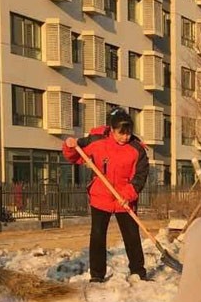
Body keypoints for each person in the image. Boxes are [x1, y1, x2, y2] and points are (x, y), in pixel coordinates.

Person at [63, 108, 151, 282]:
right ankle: (97, 275)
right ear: (112, 129)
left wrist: (128, 194)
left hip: (125, 199)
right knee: (97, 236)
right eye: (121, 133)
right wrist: (69, 146)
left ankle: (138, 271)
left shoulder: (136, 149)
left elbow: (141, 175)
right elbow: (75, 155)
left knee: (132, 236)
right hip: (101, 196)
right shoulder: (97, 141)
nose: (125, 137)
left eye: (128, 133)